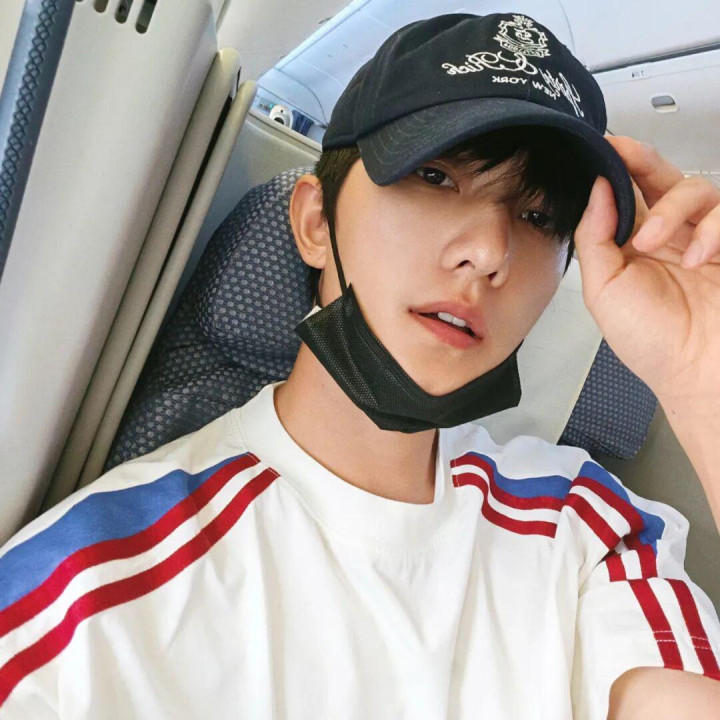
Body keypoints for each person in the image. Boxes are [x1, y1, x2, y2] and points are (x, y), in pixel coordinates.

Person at [1, 11, 720, 720]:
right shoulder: (86, 598)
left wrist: (701, 373)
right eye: (435, 176)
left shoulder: (586, 523)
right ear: (316, 223)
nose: (489, 254)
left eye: (538, 218)